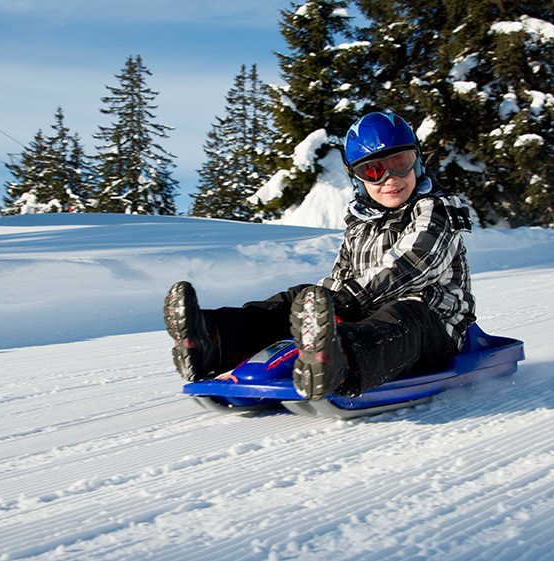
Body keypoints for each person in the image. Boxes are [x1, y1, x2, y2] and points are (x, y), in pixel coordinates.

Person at [164, 111, 475, 400]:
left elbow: (416, 262)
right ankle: (212, 340)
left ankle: (336, 360)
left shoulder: (437, 209)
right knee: (298, 299)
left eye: (400, 163)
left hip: (435, 325)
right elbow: (342, 275)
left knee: (405, 315)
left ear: (417, 162)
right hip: (369, 312)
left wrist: (348, 298)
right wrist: (321, 300)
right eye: (375, 169)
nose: (390, 178)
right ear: (359, 178)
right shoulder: (361, 222)